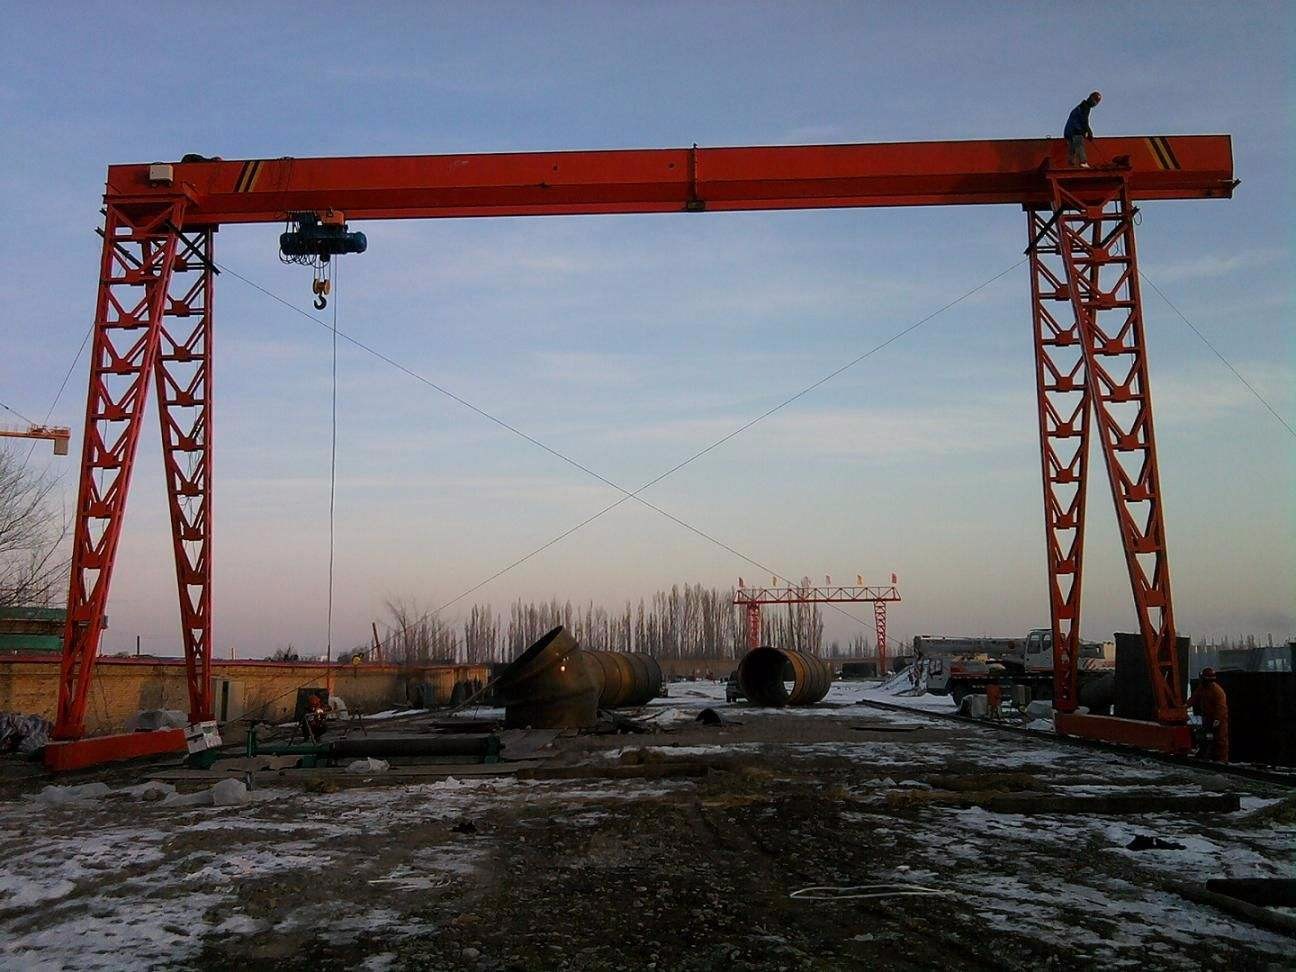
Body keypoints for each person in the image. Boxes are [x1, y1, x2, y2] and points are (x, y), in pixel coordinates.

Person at [1186, 667, 1229, 762]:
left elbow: (1221, 707)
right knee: (1205, 738)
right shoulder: (1202, 688)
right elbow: (1194, 698)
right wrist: (1185, 706)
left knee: (1220, 740)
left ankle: (1222, 760)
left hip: (1218, 719)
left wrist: (1217, 719)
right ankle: (1204, 756)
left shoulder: (1217, 691)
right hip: (1207, 717)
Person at [1064, 91, 1103, 167]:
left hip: (1068, 131)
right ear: (1091, 98)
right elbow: (1084, 120)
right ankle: (1083, 162)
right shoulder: (1085, 107)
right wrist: (1088, 132)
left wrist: (1086, 131)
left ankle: (1071, 162)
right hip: (1075, 130)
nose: (1095, 103)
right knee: (1079, 143)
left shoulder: (1081, 106)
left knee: (1072, 147)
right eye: (1095, 101)